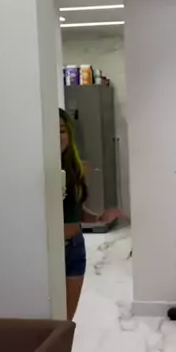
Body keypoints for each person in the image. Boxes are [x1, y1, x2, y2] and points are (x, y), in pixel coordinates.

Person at [60, 108, 123, 320]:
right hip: (48, 253)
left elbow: (77, 210)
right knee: (50, 322)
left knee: (66, 321)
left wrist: (98, 218)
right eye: (52, 131)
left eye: (62, 130)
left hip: (74, 248)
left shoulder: (74, 167)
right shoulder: (37, 167)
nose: (58, 137)